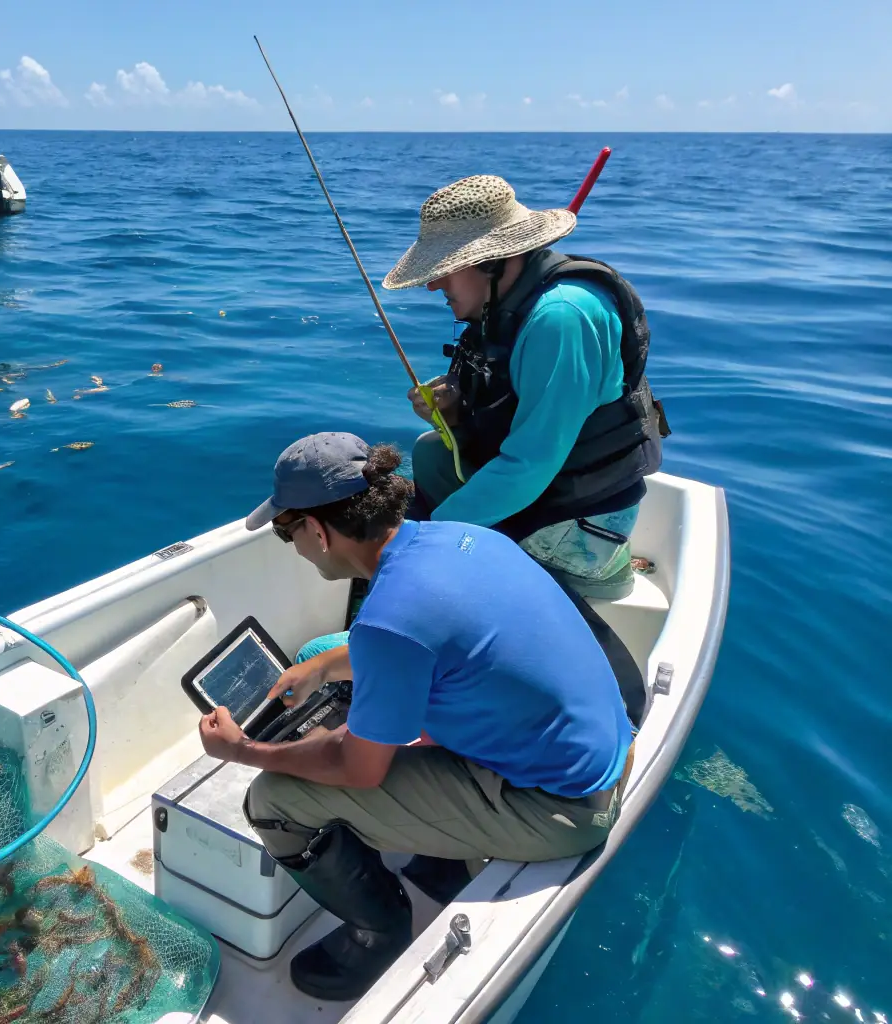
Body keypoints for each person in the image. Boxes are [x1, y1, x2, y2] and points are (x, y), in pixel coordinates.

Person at [198, 431, 634, 1001]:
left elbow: (359, 770)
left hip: (561, 811)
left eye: (287, 530)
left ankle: (376, 933)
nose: (293, 545)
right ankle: (446, 858)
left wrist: (243, 751)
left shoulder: (389, 622)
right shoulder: (464, 539)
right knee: (335, 677)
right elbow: (433, 635)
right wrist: (326, 666)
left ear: (318, 530)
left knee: (275, 800)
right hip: (600, 750)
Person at [379, 174, 671, 599]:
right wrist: (457, 413)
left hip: (572, 516)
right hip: (545, 486)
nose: (433, 284)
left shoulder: (561, 318)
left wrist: (425, 544)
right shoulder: (510, 299)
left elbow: (530, 466)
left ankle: (597, 573)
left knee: (418, 561)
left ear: (493, 262)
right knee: (428, 450)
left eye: (445, 269)